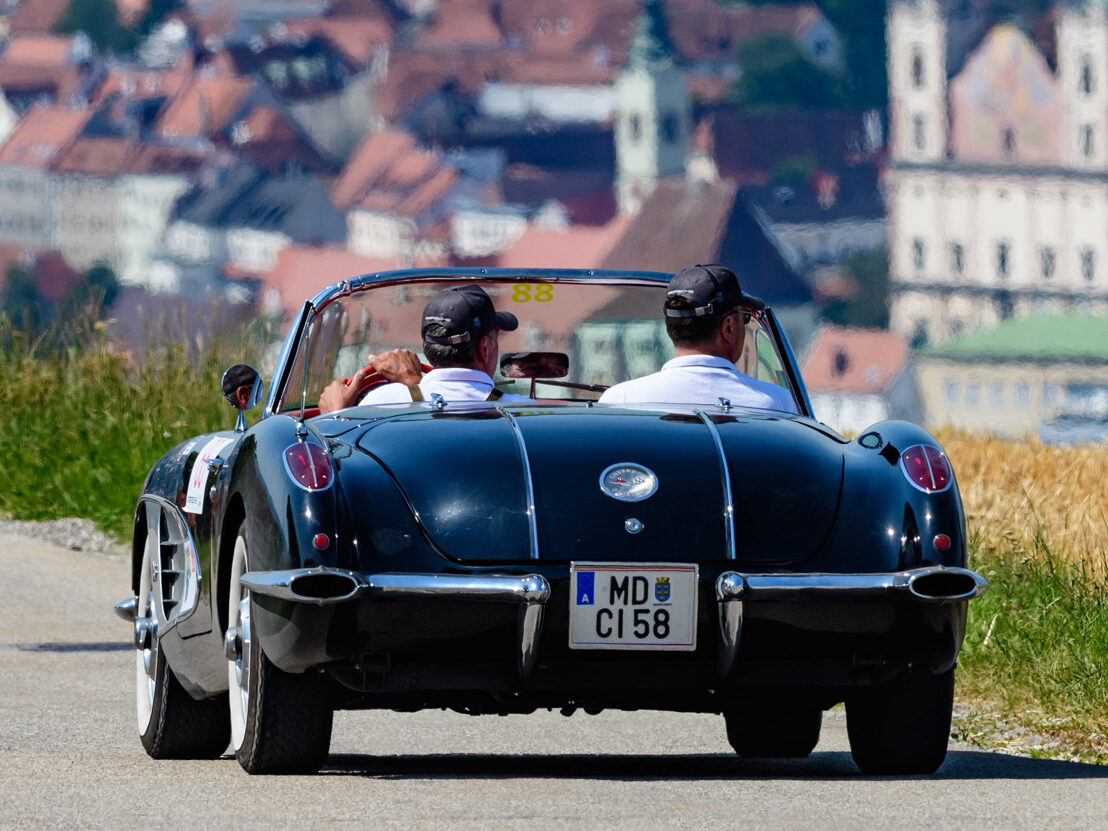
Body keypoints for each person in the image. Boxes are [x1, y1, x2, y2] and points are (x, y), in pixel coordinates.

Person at [598, 264, 797, 412]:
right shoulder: (775, 403)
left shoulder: (620, 400)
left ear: (671, 327)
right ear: (728, 327)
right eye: (744, 318)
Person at [318, 285, 532, 412]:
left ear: (429, 346)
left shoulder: (380, 403)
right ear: (484, 348)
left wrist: (335, 417)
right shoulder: (526, 413)